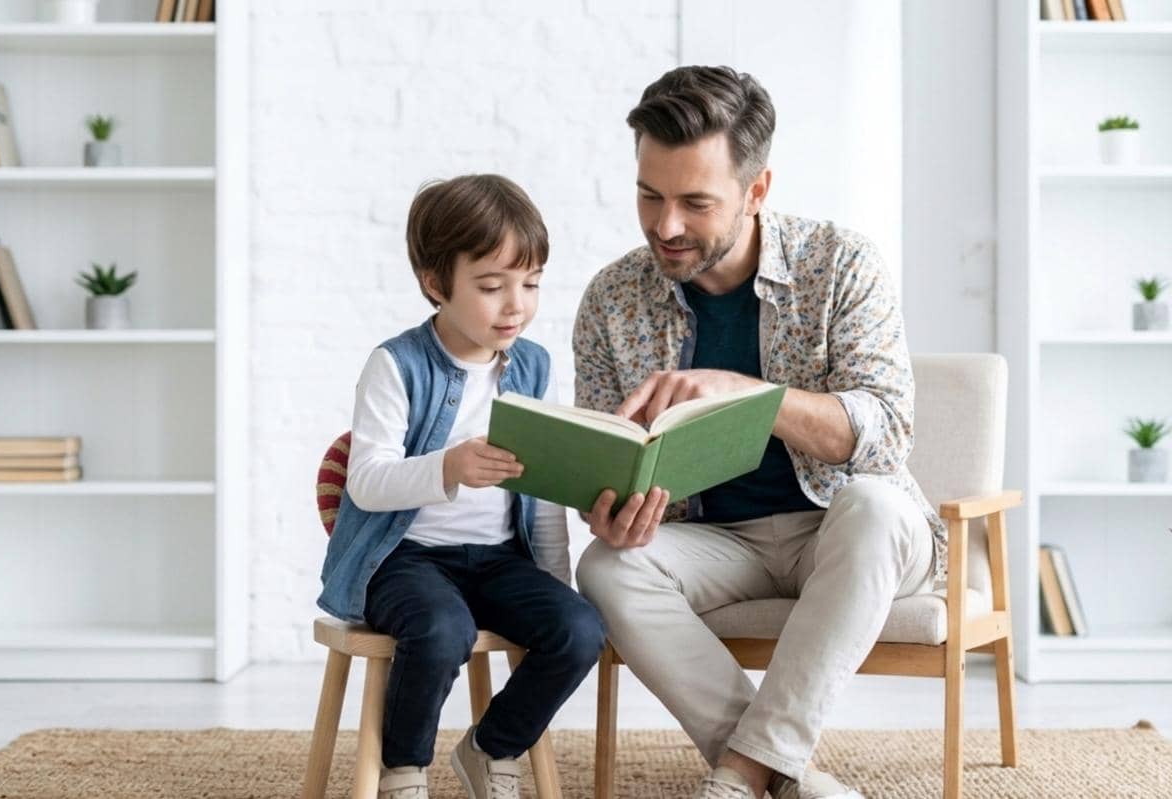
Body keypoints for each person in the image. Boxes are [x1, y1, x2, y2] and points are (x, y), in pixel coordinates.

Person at [573, 66, 944, 799]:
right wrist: (607, 504)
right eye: (649, 195)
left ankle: (742, 771)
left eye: (695, 202)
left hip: (843, 528)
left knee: (872, 504)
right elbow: (601, 460)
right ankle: (784, 773)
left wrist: (748, 394)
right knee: (604, 568)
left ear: (757, 191)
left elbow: (883, 434)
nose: (666, 225)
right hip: (717, 539)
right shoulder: (612, 298)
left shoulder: (841, 263)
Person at [318, 174, 605, 799]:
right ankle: (403, 769)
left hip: (500, 559)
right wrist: (446, 468)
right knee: (441, 630)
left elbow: (544, 490)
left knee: (581, 629)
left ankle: (490, 747)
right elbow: (364, 483)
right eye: (492, 286)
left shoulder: (533, 366)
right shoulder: (396, 364)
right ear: (435, 284)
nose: (516, 306)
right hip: (407, 560)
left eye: (530, 284)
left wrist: (555, 585)